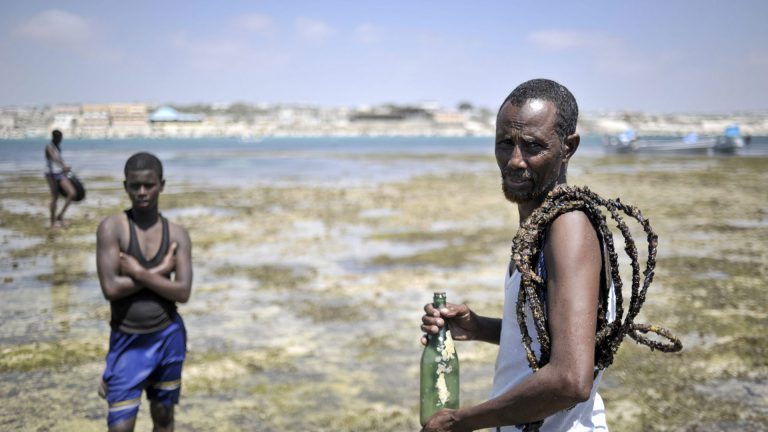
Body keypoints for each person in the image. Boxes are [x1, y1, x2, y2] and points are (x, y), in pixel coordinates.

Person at [420, 79, 614, 431]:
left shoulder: (568, 227)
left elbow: (571, 379)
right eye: (505, 143)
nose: (514, 160)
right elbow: (554, 338)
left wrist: (460, 421)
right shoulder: (540, 228)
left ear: (567, 147)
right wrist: (479, 327)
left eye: (533, 146)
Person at [96, 152, 193, 432]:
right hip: (127, 340)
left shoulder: (177, 234)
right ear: (125, 186)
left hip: (168, 336)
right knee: (120, 426)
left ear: (161, 185)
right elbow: (111, 288)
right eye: (134, 185)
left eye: (148, 185)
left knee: (164, 418)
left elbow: (183, 291)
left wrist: (139, 273)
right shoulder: (112, 228)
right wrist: (161, 269)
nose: (141, 192)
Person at [44, 129, 76, 228]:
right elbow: (54, 158)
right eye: (59, 138)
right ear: (55, 138)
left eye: (61, 138)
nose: (60, 140)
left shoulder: (58, 147)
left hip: (60, 174)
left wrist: (65, 168)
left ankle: (60, 215)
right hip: (51, 174)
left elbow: (60, 159)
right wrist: (63, 166)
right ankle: (52, 222)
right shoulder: (49, 147)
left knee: (72, 193)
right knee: (55, 197)